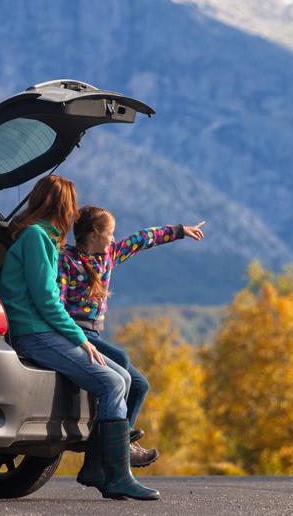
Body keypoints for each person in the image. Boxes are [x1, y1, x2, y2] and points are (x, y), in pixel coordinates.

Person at [0, 175, 159, 501]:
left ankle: (100, 468)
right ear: (61, 205)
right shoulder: (36, 238)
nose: (73, 214)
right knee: (113, 383)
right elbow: (46, 300)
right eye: (71, 205)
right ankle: (117, 476)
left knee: (123, 379)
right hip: (35, 333)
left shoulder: (42, 238)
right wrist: (81, 340)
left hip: (43, 330)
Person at [57, 205, 204, 486]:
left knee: (140, 385)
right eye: (110, 234)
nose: (114, 239)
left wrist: (180, 231)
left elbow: (142, 239)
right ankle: (118, 450)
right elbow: (58, 303)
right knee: (121, 360)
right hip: (76, 334)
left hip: (96, 335)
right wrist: (70, 336)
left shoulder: (109, 256)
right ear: (93, 235)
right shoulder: (67, 261)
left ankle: (102, 457)